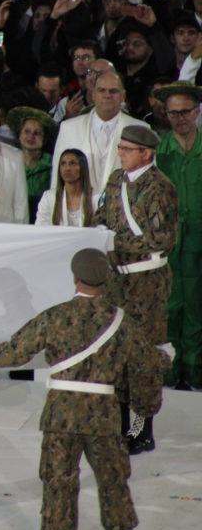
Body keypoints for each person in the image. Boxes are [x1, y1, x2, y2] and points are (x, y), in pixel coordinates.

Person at [0, 248, 169, 530]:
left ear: (74, 278)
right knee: (114, 483)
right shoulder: (122, 323)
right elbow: (146, 366)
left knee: (58, 483)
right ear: (106, 280)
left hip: (61, 415)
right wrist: (145, 408)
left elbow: (15, 352)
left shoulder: (55, 317)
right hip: (103, 417)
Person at [97, 125, 179, 454]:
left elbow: (161, 238)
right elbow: (102, 214)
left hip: (147, 282)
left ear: (146, 153)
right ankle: (118, 425)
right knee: (115, 352)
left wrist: (113, 241)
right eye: (121, 147)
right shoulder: (116, 180)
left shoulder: (161, 188)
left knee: (142, 356)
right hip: (116, 279)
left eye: (128, 149)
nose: (122, 153)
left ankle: (141, 428)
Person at [153, 82, 202, 390]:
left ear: (197, 112)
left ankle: (196, 372)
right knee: (169, 309)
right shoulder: (159, 152)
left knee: (198, 309)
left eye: (185, 112)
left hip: (200, 243)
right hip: (169, 244)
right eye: (173, 113)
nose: (179, 118)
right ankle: (170, 373)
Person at [50, 71, 147, 193]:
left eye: (113, 91)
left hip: (123, 210)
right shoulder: (68, 128)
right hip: (79, 209)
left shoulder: (142, 130)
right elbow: (57, 180)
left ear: (123, 96)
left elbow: (148, 182)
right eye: (102, 90)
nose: (107, 95)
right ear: (93, 95)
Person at [8, 107, 56, 224]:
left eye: (37, 133)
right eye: (27, 131)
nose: (31, 136)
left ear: (44, 139)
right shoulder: (9, 163)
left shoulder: (53, 165)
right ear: (19, 135)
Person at [36, 149, 99, 228]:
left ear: (83, 168)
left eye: (72, 163)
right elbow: (41, 228)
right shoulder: (48, 197)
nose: (67, 168)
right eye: (63, 164)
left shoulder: (97, 198)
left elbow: (101, 228)